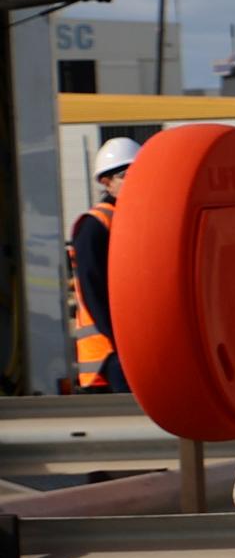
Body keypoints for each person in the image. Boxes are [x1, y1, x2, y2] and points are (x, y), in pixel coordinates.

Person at [67, 136, 138, 393]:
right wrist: (119, 342)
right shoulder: (95, 225)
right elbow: (92, 289)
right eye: (127, 175)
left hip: (131, 346)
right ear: (106, 182)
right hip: (108, 353)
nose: (136, 181)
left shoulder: (135, 220)